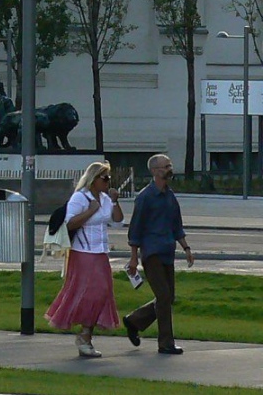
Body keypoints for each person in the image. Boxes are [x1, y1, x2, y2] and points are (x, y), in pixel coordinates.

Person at [44, 162, 124, 357]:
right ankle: (85, 336)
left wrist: (114, 202)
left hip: (101, 252)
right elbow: (69, 224)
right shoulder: (80, 197)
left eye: (108, 178)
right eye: (104, 178)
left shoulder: (105, 198)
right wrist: (90, 210)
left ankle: (86, 334)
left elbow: (119, 222)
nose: (107, 182)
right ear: (93, 179)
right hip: (83, 252)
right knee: (88, 292)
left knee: (103, 292)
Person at [124, 153, 194, 355]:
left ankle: (134, 321)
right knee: (163, 296)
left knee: (168, 297)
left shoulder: (170, 196)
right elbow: (135, 230)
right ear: (155, 171)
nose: (169, 169)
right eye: (165, 166)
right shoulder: (145, 197)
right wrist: (134, 257)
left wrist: (186, 248)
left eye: (170, 165)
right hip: (151, 253)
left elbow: (176, 226)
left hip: (167, 251)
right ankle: (166, 343)